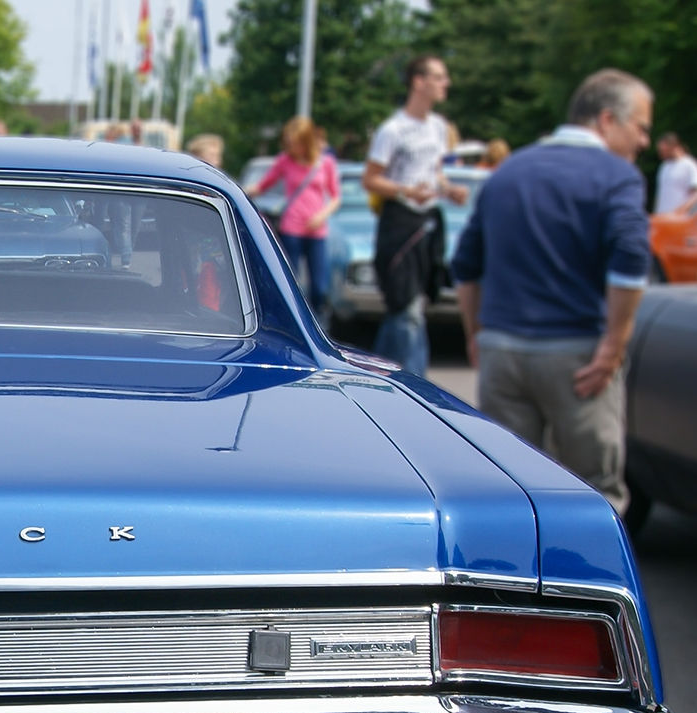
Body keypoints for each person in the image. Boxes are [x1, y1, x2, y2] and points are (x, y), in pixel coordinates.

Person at [451, 68, 653, 516]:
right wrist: (613, 348)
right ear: (606, 119)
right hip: (577, 358)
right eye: (640, 128)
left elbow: (466, 266)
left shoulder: (508, 173)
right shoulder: (617, 176)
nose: (644, 142)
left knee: (508, 492)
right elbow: (631, 260)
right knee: (594, 494)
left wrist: (477, 333)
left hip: (503, 353)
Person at [362, 54, 470, 375]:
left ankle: (378, 375)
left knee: (411, 309)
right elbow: (371, 179)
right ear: (418, 82)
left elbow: (434, 172)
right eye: (439, 77)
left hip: (428, 222)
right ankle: (414, 382)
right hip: (400, 222)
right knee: (406, 310)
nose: (445, 84)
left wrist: (449, 189)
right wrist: (406, 191)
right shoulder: (393, 130)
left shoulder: (438, 127)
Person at [247, 116, 342, 327]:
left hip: (316, 229)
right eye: (288, 143)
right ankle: (297, 324)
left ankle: (320, 324)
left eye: (296, 142)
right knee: (293, 283)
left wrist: (321, 215)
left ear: (306, 141)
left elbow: (336, 197)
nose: (292, 147)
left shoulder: (325, 163)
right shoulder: (285, 161)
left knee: (320, 286)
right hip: (292, 227)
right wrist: (239, 192)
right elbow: (264, 185)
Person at [653, 132, 697, 215]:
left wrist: (679, 212)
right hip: (662, 218)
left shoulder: (689, 165)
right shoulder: (664, 166)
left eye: (663, 150)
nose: (660, 153)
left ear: (673, 147)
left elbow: (695, 195)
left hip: (680, 221)